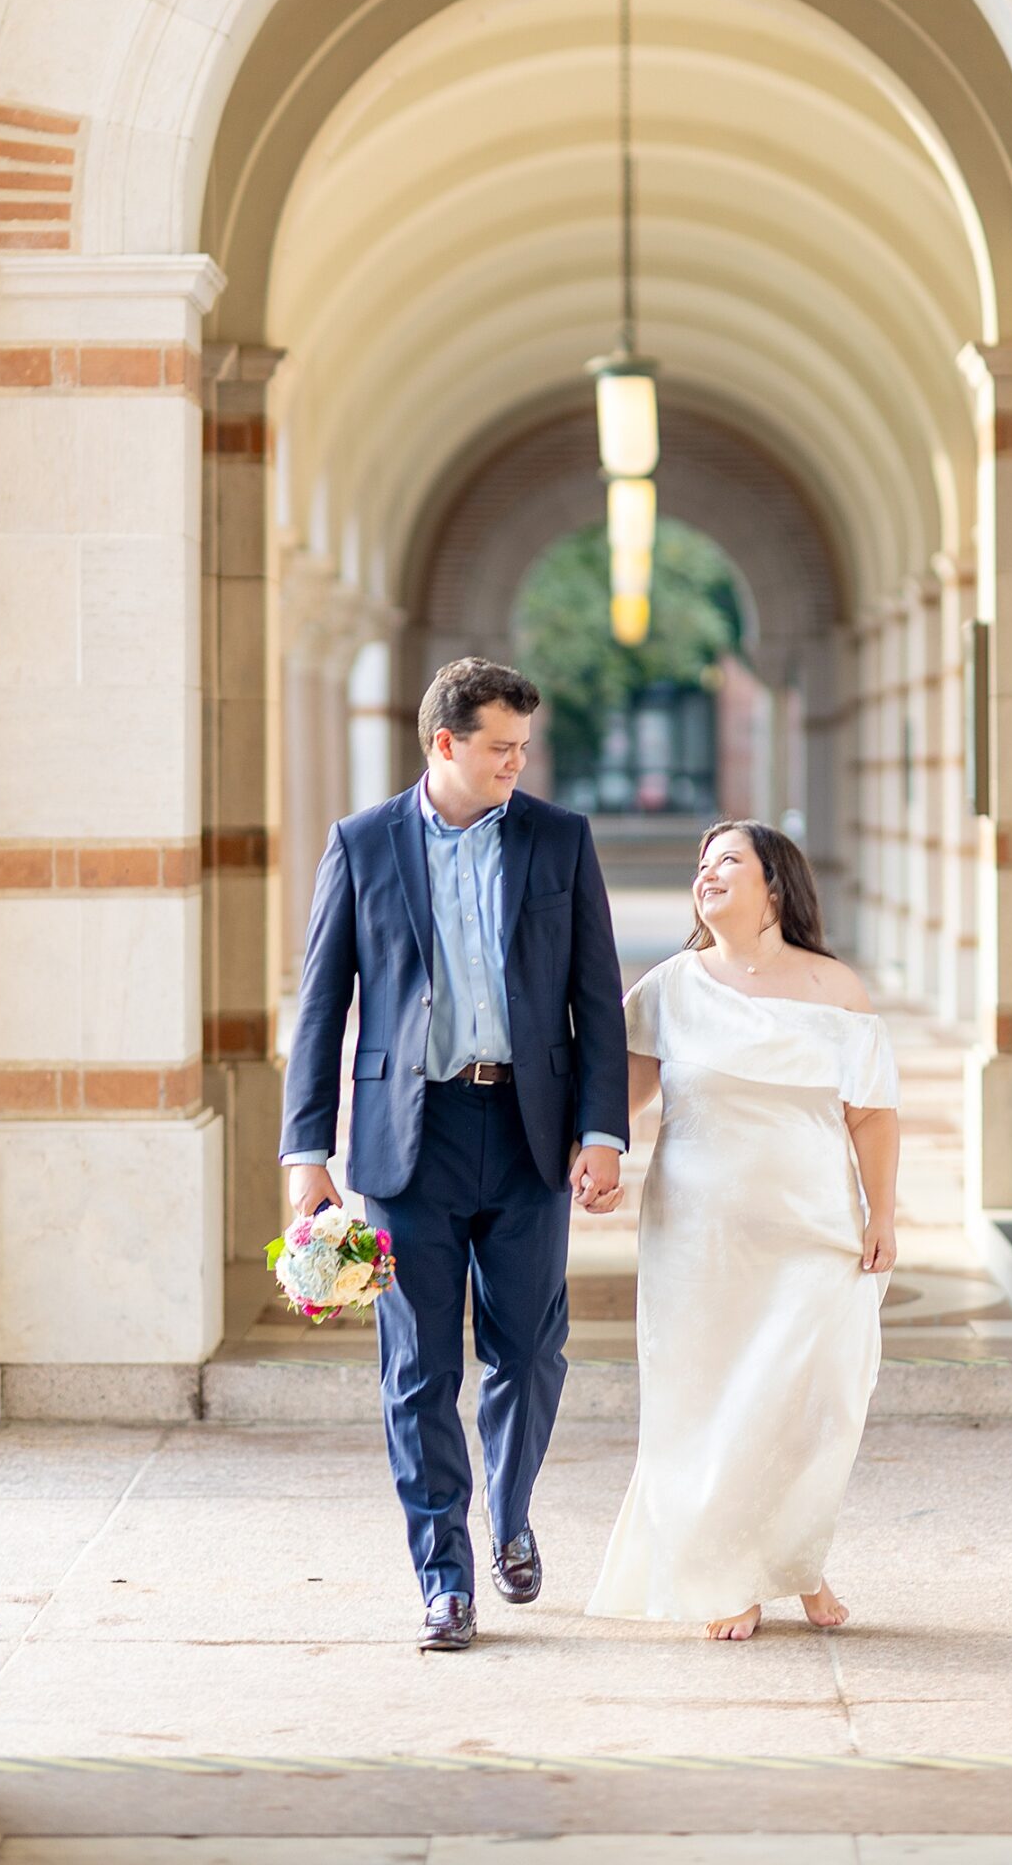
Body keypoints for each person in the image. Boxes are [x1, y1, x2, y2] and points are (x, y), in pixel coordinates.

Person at [280, 656, 630, 1652]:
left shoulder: (560, 840)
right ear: (445, 743)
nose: (517, 763)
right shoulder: (362, 845)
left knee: (530, 1350)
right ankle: (445, 1577)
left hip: (528, 1138)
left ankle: (509, 1512)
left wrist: (602, 1131)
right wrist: (306, 1150)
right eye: (500, 748)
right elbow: (320, 1008)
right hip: (405, 1143)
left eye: (524, 747)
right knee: (419, 1369)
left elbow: (595, 996)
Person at [588, 818, 899, 1641]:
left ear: (775, 884)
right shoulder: (669, 987)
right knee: (709, 1397)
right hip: (699, 1236)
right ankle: (729, 1569)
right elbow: (617, 1100)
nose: (707, 873)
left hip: (813, 1226)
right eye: (702, 863)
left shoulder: (836, 988)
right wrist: (589, 1154)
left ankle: (794, 1554)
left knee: (815, 1397)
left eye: (728, 860)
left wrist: (883, 1213)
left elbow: (869, 1115)